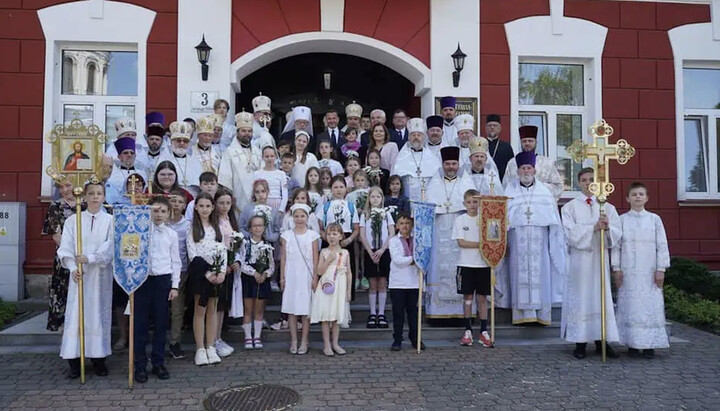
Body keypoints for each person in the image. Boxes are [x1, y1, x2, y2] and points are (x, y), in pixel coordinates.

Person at [561, 167, 621, 359]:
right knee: (582, 299)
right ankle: (580, 342)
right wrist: (593, 228)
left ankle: (601, 340)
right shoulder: (569, 207)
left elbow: (617, 235)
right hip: (580, 261)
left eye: (591, 180)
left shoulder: (607, 207)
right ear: (579, 183)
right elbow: (569, 233)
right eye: (584, 180)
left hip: (599, 257)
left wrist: (608, 227)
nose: (588, 183)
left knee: (600, 297)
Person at [56, 181, 113, 378]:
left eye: (99, 193)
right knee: (76, 315)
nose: (95, 197)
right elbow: (66, 246)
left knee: (98, 313)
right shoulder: (74, 221)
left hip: (99, 275)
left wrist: (91, 258)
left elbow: (110, 246)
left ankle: (98, 359)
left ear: (104, 197)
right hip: (79, 276)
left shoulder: (110, 221)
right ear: (84, 196)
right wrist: (73, 266)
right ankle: (74, 359)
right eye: (91, 193)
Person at [502, 152, 565, 326]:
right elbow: (503, 218)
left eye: (529, 168)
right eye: (523, 168)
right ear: (518, 171)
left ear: (534, 170)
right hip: (517, 240)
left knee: (541, 275)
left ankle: (541, 315)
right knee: (518, 274)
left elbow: (553, 221)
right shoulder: (509, 190)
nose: (526, 171)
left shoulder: (545, 191)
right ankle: (522, 315)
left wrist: (554, 243)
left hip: (540, 241)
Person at [612, 182, 670, 359]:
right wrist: (616, 268)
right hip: (629, 272)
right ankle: (632, 344)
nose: (638, 197)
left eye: (641, 194)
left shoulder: (654, 219)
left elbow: (662, 245)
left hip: (649, 271)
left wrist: (661, 269)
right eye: (634, 194)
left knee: (649, 306)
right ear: (628, 198)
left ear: (647, 198)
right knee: (630, 306)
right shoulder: (621, 220)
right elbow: (616, 247)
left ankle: (649, 344)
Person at [133, 196, 180, 383]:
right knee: (140, 325)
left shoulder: (171, 234)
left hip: (162, 281)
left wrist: (174, 285)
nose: (159, 214)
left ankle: (158, 362)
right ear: (148, 211)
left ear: (168, 214)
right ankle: (140, 365)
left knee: (161, 324)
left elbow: (176, 261)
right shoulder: (139, 232)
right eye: (155, 210)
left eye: (162, 211)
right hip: (142, 281)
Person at [425, 147, 476, 318]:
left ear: (458, 164)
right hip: (440, 231)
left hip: (460, 231)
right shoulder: (434, 183)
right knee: (439, 267)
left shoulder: (466, 183)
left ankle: (462, 312)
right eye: (448, 163)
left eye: (454, 163)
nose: (451, 167)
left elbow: (472, 208)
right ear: (443, 164)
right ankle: (438, 311)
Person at [186, 193, 225, 366]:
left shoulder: (217, 228)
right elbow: (193, 255)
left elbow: (222, 250)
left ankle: (211, 346)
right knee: (199, 310)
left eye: (208, 206)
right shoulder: (192, 229)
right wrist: (207, 274)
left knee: (213, 309)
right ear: (195, 207)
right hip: (201, 275)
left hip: (216, 276)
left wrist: (221, 271)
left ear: (212, 207)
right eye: (201, 206)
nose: (204, 209)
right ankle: (200, 348)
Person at [454, 189, 493, 348]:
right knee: (468, 298)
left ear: (480, 203)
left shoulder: (486, 220)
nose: (472, 205)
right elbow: (461, 242)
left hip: (483, 264)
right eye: (469, 202)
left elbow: (492, 238)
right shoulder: (460, 220)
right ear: (464, 203)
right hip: (465, 264)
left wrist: (487, 246)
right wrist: (481, 245)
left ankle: (484, 330)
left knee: (482, 298)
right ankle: (468, 330)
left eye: (475, 202)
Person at [280, 204, 321, 355]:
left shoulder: (313, 235)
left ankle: (304, 340)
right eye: (296, 216)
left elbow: (316, 258)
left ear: (307, 217)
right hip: (291, 274)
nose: (299, 219)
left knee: (305, 310)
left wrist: (315, 278)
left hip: (306, 275)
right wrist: (282, 277)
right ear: (292, 217)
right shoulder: (286, 236)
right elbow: (283, 257)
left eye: (302, 216)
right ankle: (293, 340)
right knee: (291, 309)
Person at [310, 222, 351, 356]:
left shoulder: (345, 253)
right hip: (327, 284)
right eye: (329, 234)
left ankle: (336, 343)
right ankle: (326, 344)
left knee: (336, 315)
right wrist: (328, 260)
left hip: (340, 285)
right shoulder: (324, 252)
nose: (331, 237)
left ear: (341, 236)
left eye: (335, 234)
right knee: (326, 315)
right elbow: (319, 271)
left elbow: (349, 273)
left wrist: (348, 291)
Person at [318, 176, 360, 301]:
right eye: (335, 187)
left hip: (346, 240)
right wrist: (327, 238)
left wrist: (349, 240)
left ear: (346, 189)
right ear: (331, 189)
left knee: (345, 271)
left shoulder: (351, 206)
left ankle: (346, 299)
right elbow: (320, 226)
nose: (338, 190)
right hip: (330, 241)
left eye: (341, 187)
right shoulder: (326, 206)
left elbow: (356, 228)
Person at [359, 187, 395, 329]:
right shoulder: (365, 214)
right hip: (370, 251)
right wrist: (370, 251)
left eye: (377, 197)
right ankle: (372, 313)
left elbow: (391, 232)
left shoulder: (386, 214)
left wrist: (382, 249)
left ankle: (381, 313)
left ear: (382, 199)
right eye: (372, 197)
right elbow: (362, 235)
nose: (375, 199)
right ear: (369, 199)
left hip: (383, 251)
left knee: (382, 283)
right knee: (373, 284)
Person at [237, 215, 275, 350]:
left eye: (260, 225)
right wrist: (254, 273)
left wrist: (265, 274)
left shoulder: (268, 245)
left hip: (262, 279)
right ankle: (248, 336)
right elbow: (241, 262)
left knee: (259, 310)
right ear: (250, 228)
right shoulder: (245, 244)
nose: (258, 228)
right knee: (248, 309)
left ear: (264, 228)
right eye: (255, 226)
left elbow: (271, 265)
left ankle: (257, 336)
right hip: (249, 278)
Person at [43, 180, 77, 331]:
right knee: (64, 289)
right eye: (60, 187)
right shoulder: (55, 206)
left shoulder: (86, 204)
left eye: (68, 185)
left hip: (87, 256)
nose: (64, 190)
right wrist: (72, 252)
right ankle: (65, 329)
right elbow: (56, 236)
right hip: (65, 255)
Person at [213, 189, 241, 357]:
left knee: (222, 306)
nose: (224, 206)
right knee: (216, 306)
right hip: (218, 267)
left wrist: (235, 260)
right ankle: (212, 339)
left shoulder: (230, 219)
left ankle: (218, 337)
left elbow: (235, 243)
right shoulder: (214, 221)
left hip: (229, 268)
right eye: (221, 203)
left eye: (227, 203)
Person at [388, 213, 422, 351]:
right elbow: (397, 260)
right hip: (398, 282)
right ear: (397, 226)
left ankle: (415, 338)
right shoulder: (393, 241)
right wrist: (414, 260)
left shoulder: (418, 240)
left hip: (414, 282)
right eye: (401, 223)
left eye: (407, 223)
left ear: (411, 225)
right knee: (398, 313)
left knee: (413, 313)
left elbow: (423, 257)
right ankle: (397, 339)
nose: (405, 226)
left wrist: (417, 260)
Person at [503, 125, 563, 201]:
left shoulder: (547, 163)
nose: (527, 143)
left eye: (530, 141)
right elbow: (505, 186)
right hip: (518, 203)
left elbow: (558, 187)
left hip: (540, 204)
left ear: (536, 142)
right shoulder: (512, 163)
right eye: (524, 141)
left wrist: (537, 187)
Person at [218, 111, 262, 211]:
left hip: (256, 196)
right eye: (243, 131)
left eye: (249, 131)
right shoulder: (229, 152)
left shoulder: (258, 152)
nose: (247, 134)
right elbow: (225, 179)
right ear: (237, 132)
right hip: (237, 197)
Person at [394, 118, 442, 201]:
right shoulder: (401, 157)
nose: (416, 137)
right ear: (409, 137)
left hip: (428, 200)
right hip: (407, 200)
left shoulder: (432, 158)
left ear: (423, 137)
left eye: (419, 135)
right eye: (413, 135)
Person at [167, 190, 191, 360]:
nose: (176, 205)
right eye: (173, 201)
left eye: (180, 202)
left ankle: (174, 342)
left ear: (185, 205)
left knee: (177, 310)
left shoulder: (187, 225)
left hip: (180, 271)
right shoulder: (161, 222)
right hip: (161, 270)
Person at [105, 136, 147, 204]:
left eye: (132, 153)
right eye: (125, 153)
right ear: (119, 157)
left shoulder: (142, 174)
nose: (129, 155)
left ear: (135, 156)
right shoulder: (112, 175)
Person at [167, 121, 203, 191]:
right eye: (178, 140)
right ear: (172, 142)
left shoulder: (195, 161)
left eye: (185, 141)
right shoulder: (165, 160)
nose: (182, 143)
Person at [253, 146, 289, 212]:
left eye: (272, 156)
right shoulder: (257, 174)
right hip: (262, 203)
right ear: (262, 157)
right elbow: (254, 193)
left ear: (275, 157)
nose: (269, 159)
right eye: (267, 156)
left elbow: (285, 194)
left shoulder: (281, 174)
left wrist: (281, 209)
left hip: (277, 204)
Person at [484, 114, 514, 181]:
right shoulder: (481, 144)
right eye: (489, 125)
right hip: (483, 183)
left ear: (499, 128)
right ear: (485, 128)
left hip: (502, 183)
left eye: (495, 125)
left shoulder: (506, 147)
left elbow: (511, 167)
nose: (492, 127)